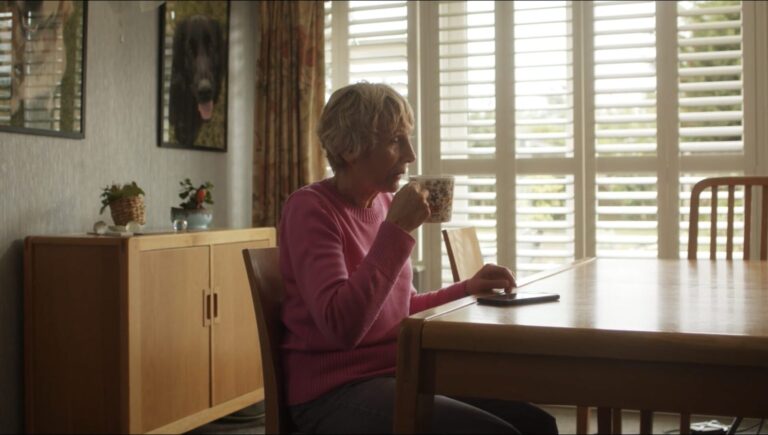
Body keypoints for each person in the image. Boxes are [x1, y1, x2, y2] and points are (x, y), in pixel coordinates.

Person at [278, 82, 558, 434]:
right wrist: (396, 231)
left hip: (395, 372)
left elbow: (401, 309)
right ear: (351, 148)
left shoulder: (381, 204)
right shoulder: (311, 209)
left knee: (537, 424)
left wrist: (468, 287)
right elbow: (343, 326)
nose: (410, 154)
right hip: (332, 392)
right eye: (396, 140)